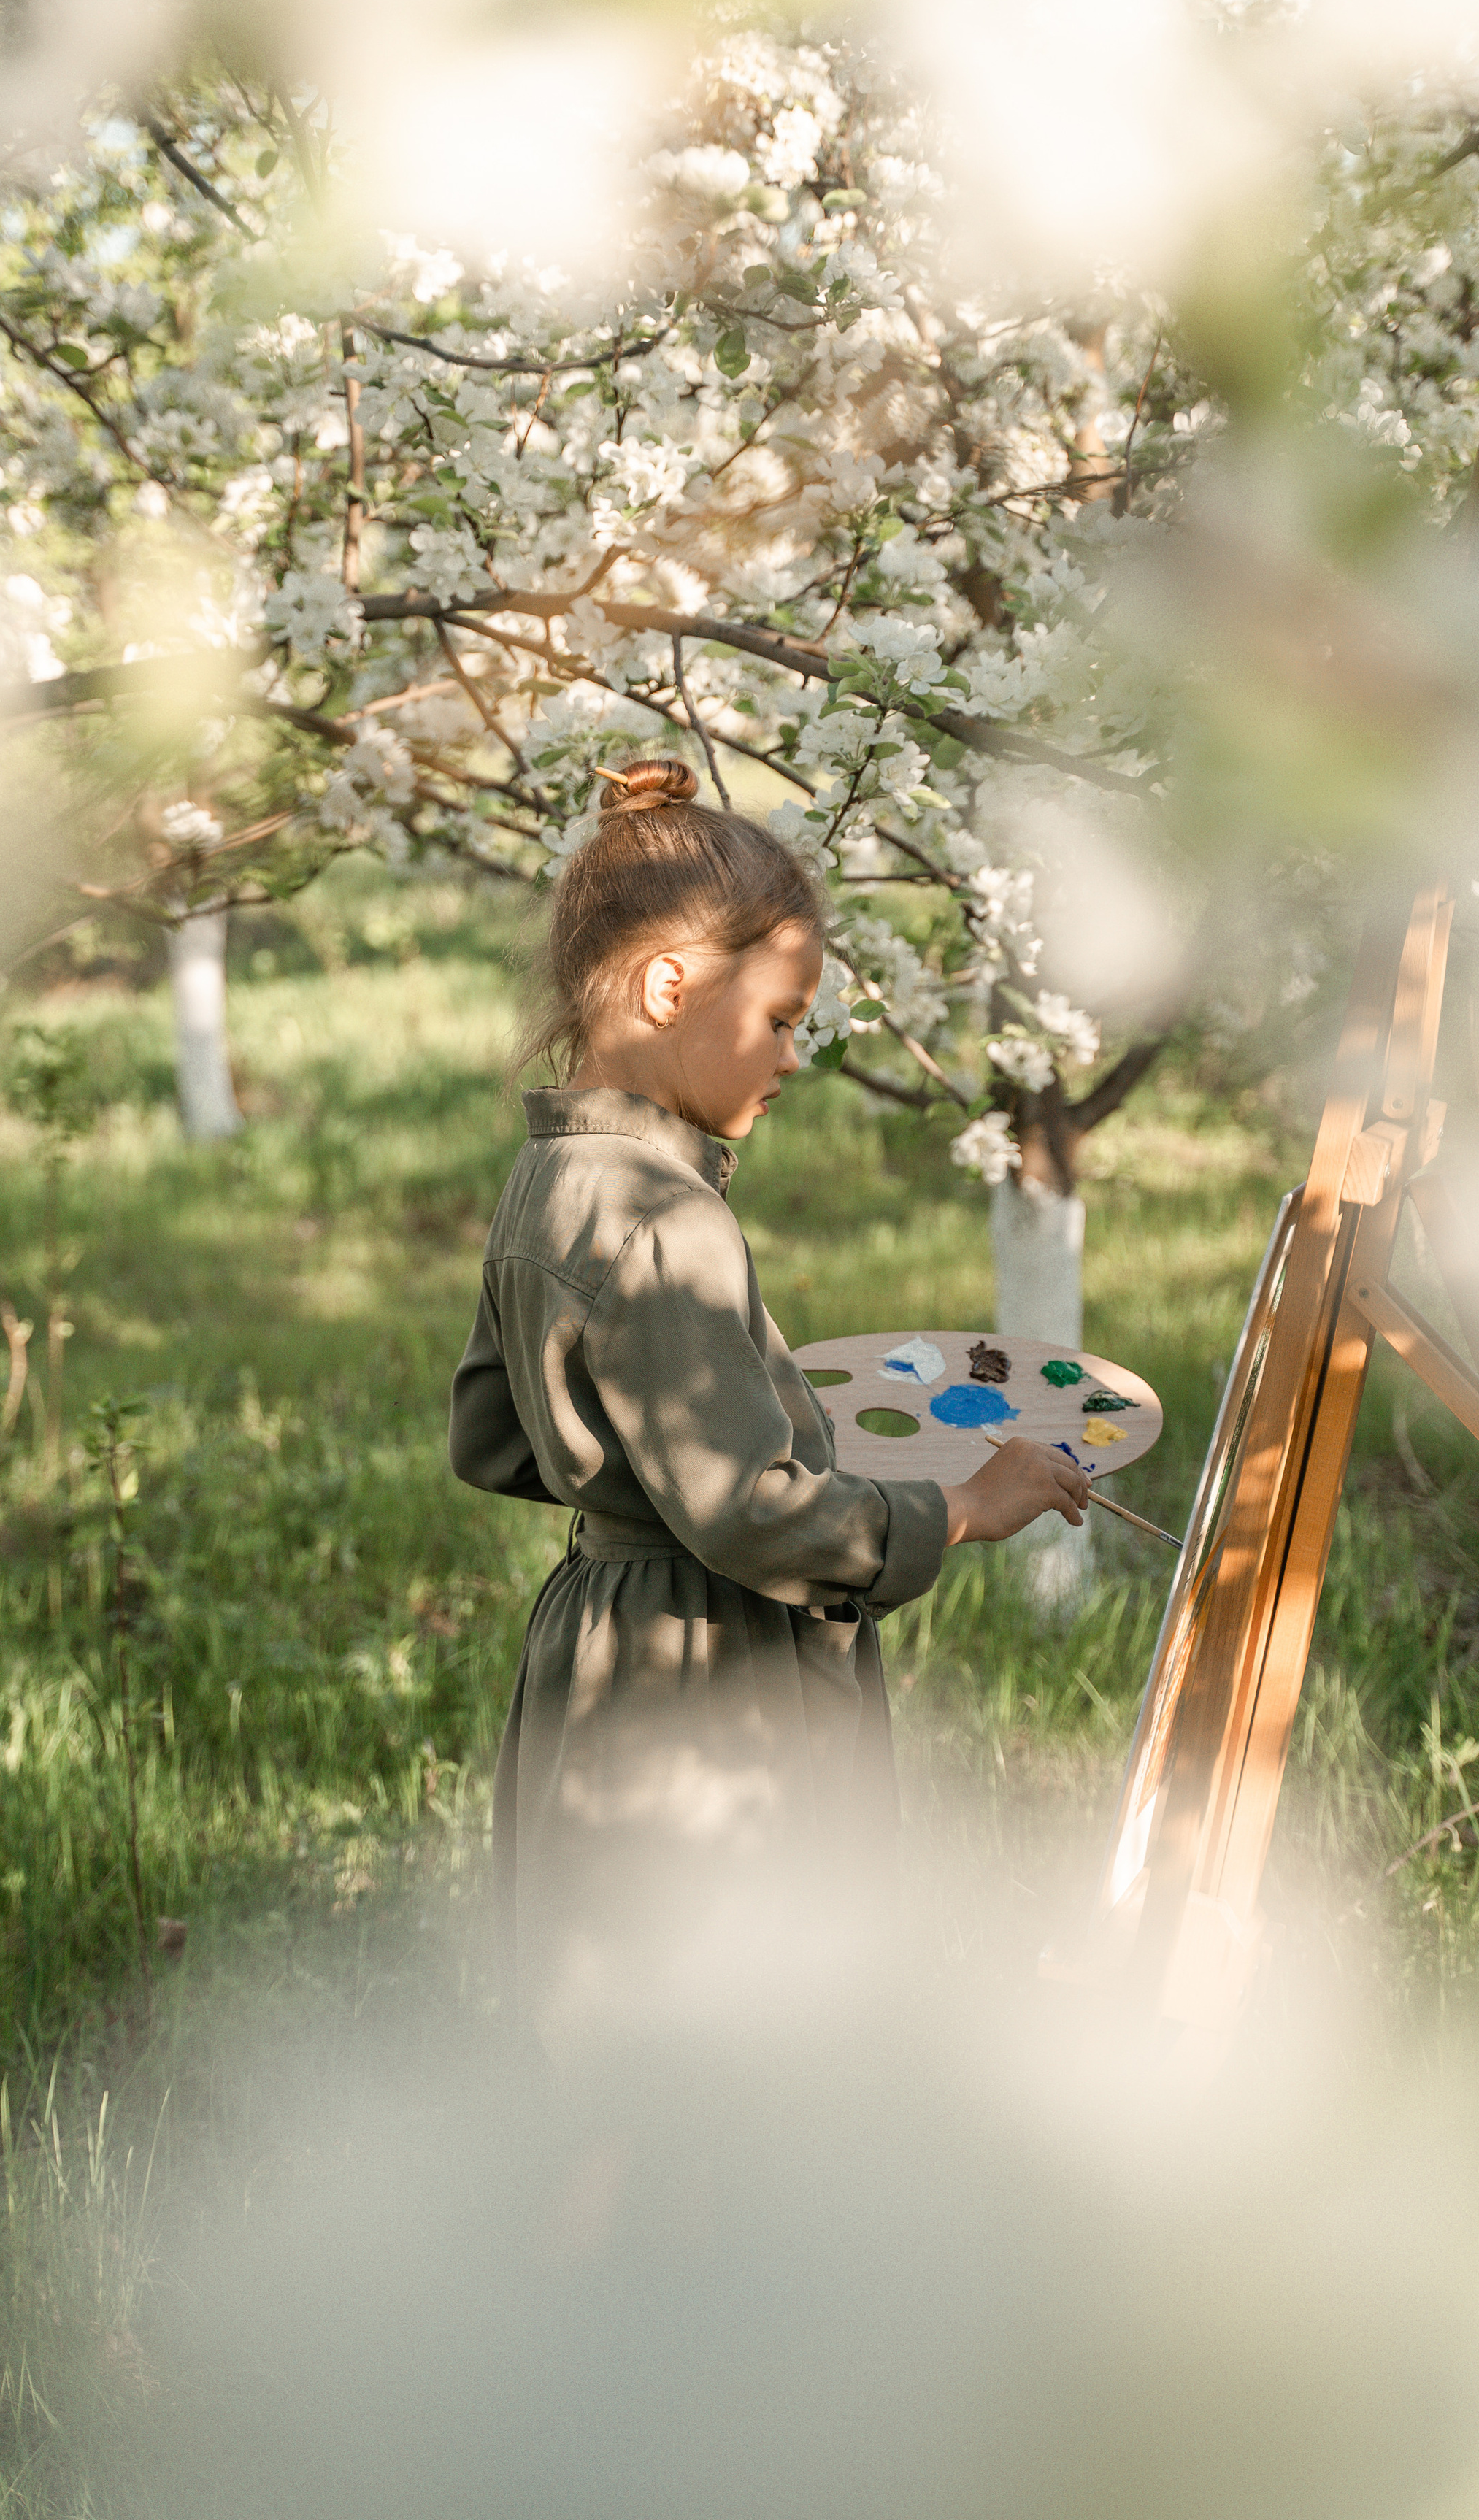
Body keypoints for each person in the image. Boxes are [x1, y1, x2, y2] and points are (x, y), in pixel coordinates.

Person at [449, 756, 1088, 2028]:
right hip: (705, 1675)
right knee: (726, 2015)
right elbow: (747, 1512)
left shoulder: (547, 1180)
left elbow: (489, 1429)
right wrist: (956, 1507)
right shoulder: (663, 1212)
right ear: (669, 985)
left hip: (596, 1648)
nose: (798, 1056)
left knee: (609, 2004)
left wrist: (708, 1426)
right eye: (785, 1018)